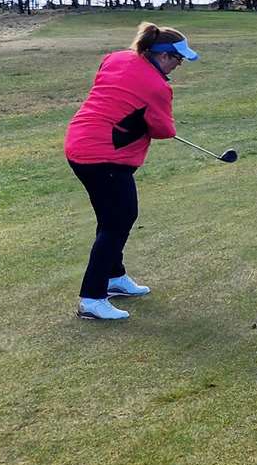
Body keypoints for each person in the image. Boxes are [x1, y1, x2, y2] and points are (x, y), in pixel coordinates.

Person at [62, 22, 200, 321]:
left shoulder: (117, 58)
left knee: (112, 218)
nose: (178, 66)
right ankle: (92, 298)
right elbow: (164, 130)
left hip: (79, 143)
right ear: (163, 55)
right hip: (103, 155)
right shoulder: (158, 86)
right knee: (118, 220)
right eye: (178, 60)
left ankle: (114, 277)